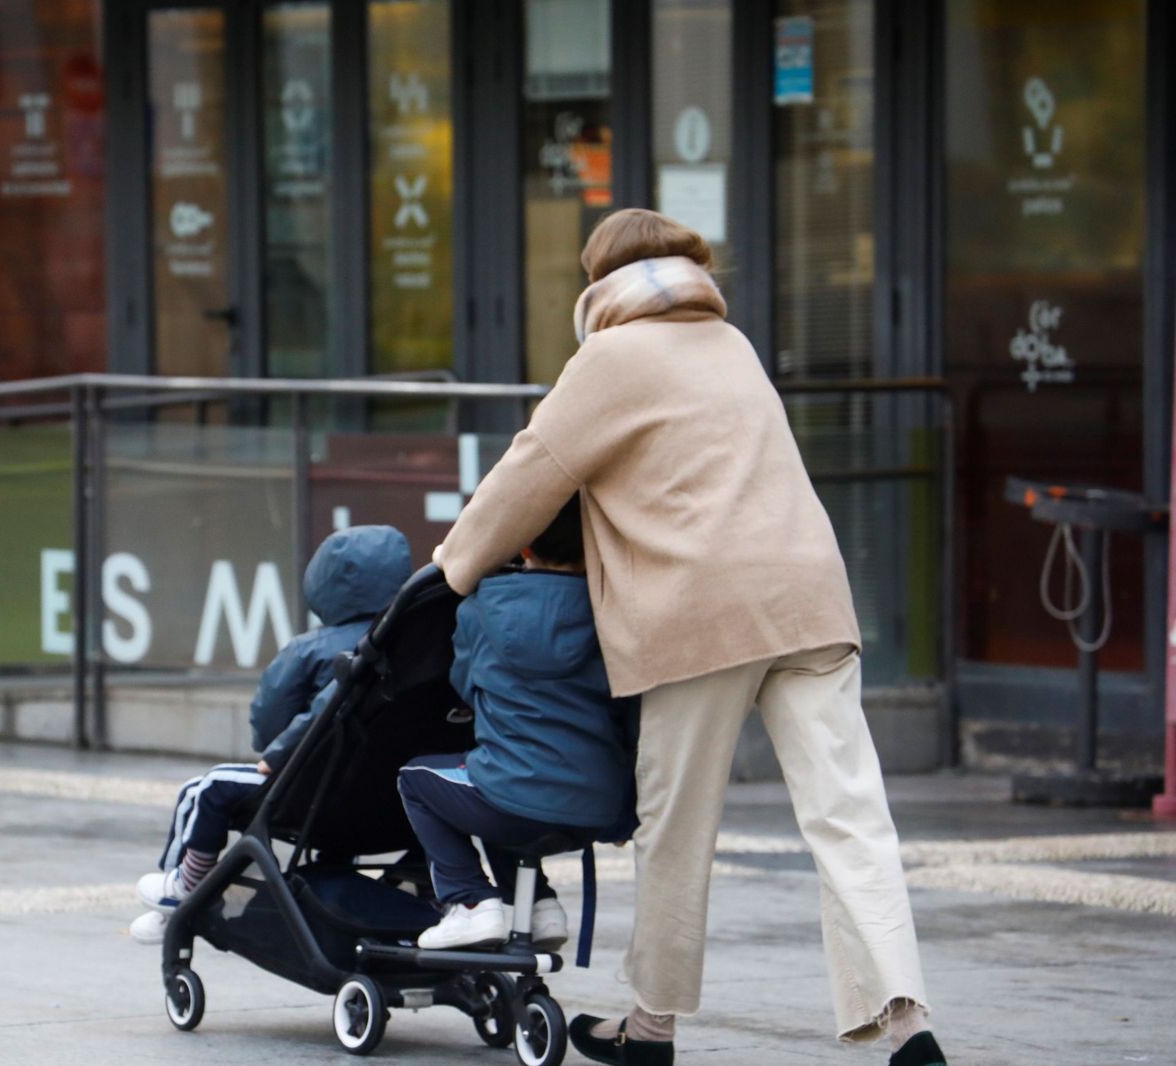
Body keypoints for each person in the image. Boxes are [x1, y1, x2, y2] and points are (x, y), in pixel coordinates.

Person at [430, 209, 948, 1066]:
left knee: (678, 828)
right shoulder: (732, 343)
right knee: (850, 817)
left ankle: (651, 1030)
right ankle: (909, 1025)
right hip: (810, 599)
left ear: (598, 283)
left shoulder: (609, 357)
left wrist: (449, 570)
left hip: (698, 613)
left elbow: (527, 475)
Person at [130, 524, 412, 944]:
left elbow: (269, 724)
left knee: (201, 788)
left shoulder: (309, 649)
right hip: (397, 805)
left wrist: (276, 753)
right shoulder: (415, 645)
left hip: (313, 795)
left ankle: (183, 887)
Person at [398, 496, 635, 951]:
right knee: (504, 789)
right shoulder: (611, 613)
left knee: (420, 779)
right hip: (596, 808)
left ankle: (468, 901)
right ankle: (539, 906)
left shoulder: (481, 607)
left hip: (511, 798)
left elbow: (465, 685)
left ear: (523, 547)